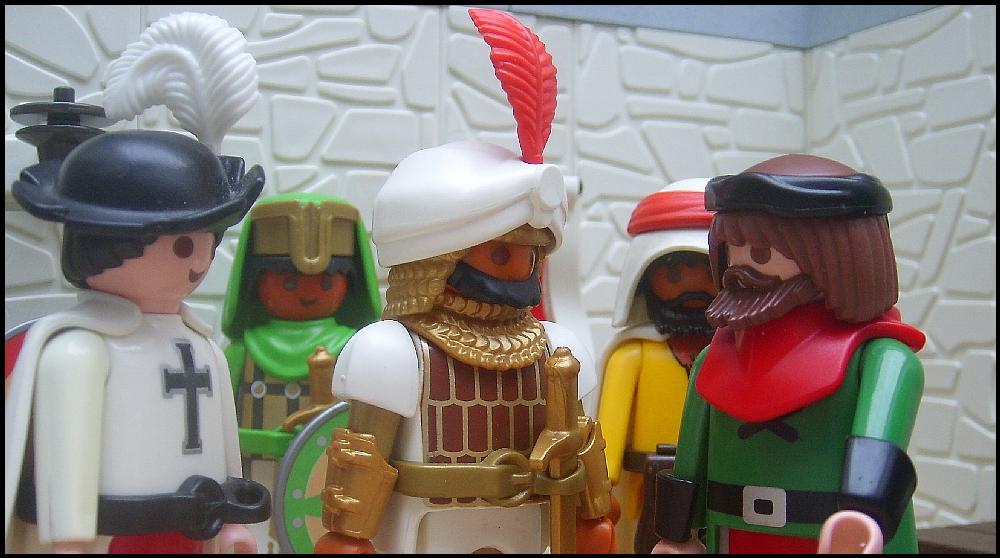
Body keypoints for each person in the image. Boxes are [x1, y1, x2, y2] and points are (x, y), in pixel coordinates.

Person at [312, 8, 615, 554]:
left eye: (529, 255)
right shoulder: (394, 352)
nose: (520, 269)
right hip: (426, 530)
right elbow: (363, 459)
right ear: (436, 258)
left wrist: (593, 515)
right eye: (500, 253)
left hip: (529, 530)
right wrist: (347, 537)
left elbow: (581, 444)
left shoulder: (558, 350)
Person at [5, 130, 268, 554]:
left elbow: (225, 446)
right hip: (110, 535)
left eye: (208, 240)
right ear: (111, 244)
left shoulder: (204, 346)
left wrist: (232, 520)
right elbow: (65, 455)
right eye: (183, 244)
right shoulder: (80, 350)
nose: (201, 260)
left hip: (195, 532)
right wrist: (68, 541)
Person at [652, 154, 926, 554]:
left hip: (829, 538)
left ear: (838, 256)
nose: (740, 270)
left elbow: (878, 452)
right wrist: (676, 535)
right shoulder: (714, 359)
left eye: (762, 254)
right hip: (733, 533)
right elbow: (691, 458)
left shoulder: (879, 360)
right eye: (735, 252)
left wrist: (864, 519)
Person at [221, 192, 381, 552]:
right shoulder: (241, 353)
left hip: (327, 479)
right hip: (253, 479)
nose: (308, 292)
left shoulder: (358, 350)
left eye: (326, 282)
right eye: (289, 282)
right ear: (256, 280)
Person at [597, 178, 716, 554]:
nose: (693, 288)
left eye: (709, 273)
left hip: (717, 475)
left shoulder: (732, 355)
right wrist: (600, 486)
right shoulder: (633, 355)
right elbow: (608, 435)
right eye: (675, 274)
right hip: (645, 484)